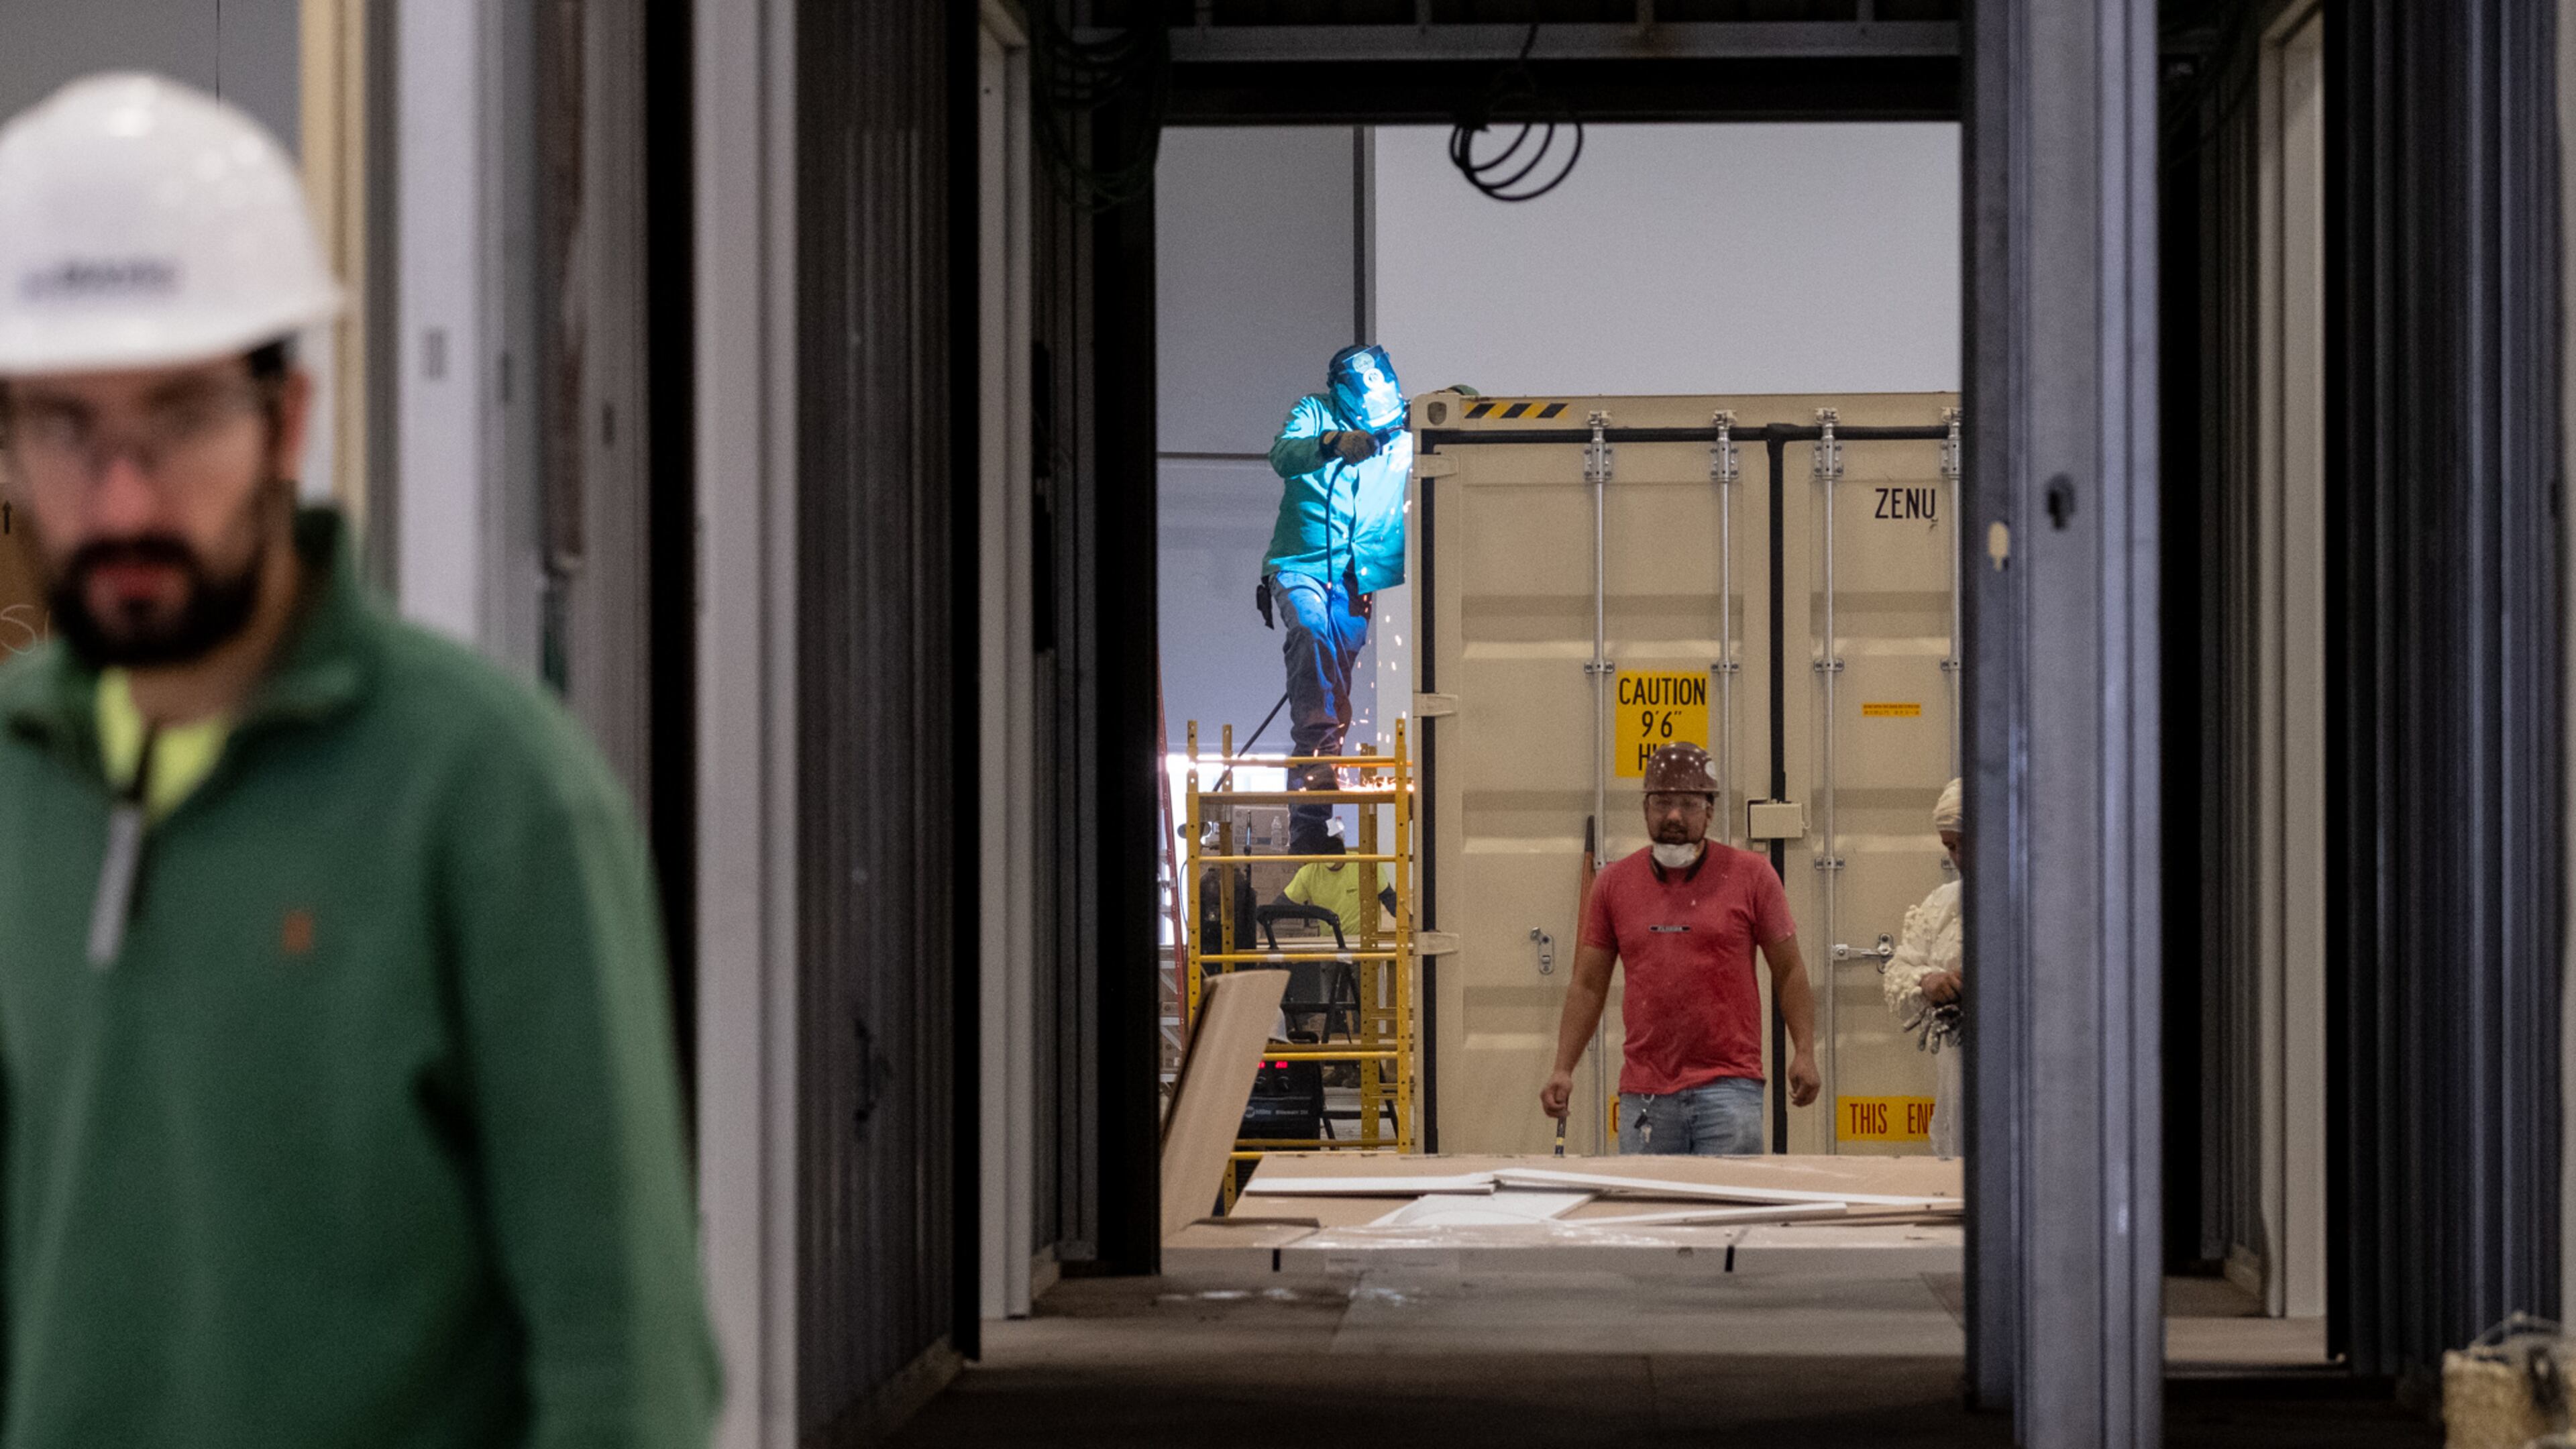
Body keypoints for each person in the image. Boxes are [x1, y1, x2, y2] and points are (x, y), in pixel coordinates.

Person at [0, 74, 718, 1448]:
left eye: (181, 418)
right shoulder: (13, 781)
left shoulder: (491, 794)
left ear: (287, 420)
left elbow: (620, 1350)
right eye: (64, 427)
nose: (124, 495)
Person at [1539, 743, 1821, 1154]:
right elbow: (1587, 985)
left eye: (1689, 803)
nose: (1673, 816)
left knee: (1727, 1198)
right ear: (1645, 808)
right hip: (1645, 1095)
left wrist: (1805, 1052)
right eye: (1662, 802)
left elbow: (1790, 970)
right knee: (1649, 1199)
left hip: (1730, 1089)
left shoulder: (1753, 876)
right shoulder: (1614, 884)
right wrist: (1563, 1068)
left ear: (1710, 811)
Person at [1262, 344, 1414, 851]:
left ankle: (1314, 821)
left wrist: (1455, 401)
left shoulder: (1399, 424)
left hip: (1356, 576)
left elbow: (1461, 409)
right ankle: (1313, 796)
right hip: (1300, 564)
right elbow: (1284, 455)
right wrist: (1332, 443)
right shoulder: (1314, 411)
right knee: (1310, 633)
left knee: (1335, 687)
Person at [1884, 777, 1967, 1157]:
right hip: (1956, 1092)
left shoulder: (2048, 899)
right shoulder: (1942, 905)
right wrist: (1928, 982)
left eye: (1966, 843)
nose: (1959, 857)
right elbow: (1899, 972)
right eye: (1950, 847)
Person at [1271, 827, 1399, 943]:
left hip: (1362, 941)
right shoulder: (1310, 873)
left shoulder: (1365, 864)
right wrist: (1263, 921)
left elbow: (1388, 898)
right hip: (1330, 942)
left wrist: (1407, 921)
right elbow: (1283, 904)